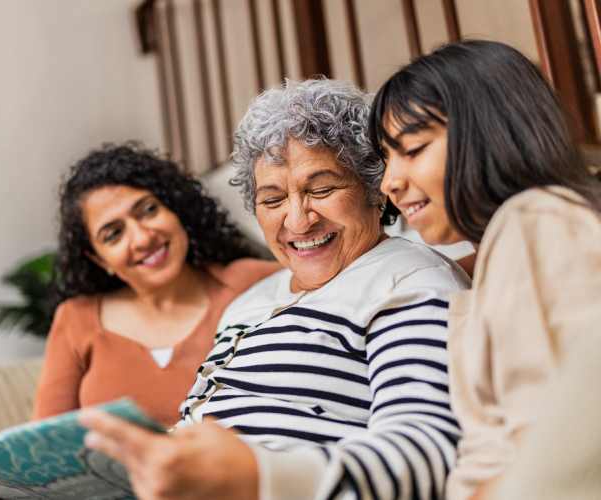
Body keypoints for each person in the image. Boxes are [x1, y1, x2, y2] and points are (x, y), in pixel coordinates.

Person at [79, 79, 470, 500]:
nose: (299, 221)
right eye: (272, 200)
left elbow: (425, 454)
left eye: (321, 189)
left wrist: (258, 475)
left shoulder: (407, 281)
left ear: (375, 189)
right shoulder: (250, 304)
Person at [0, 143, 279, 500]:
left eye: (148, 210)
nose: (142, 237)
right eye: (113, 233)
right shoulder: (78, 318)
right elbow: (38, 446)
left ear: (176, 209)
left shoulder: (251, 284)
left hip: (212, 484)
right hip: (96, 491)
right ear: (98, 259)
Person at [368, 40, 601, 500]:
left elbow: (557, 441)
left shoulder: (534, 222)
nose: (389, 182)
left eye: (412, 149)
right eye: (386, 157)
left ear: (490, 134)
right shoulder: (510, 245)